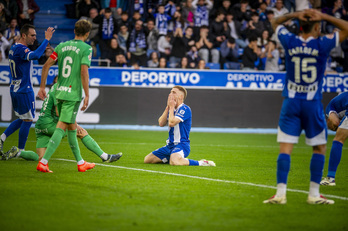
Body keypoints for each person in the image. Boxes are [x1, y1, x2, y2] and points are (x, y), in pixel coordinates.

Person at [263, 9, 348, 205]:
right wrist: (324, 16)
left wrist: (296, 14)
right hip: (312, 103)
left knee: (285, 148)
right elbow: (346, 27)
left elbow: (275, 22)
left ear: (300, 27)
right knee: (319, 148)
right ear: (317, 27)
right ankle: (314, 195)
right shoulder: (322, 44)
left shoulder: (290, 41)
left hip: (291, 103)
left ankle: (280, 194)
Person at [1, 77, 123, 163]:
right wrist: (75, 124)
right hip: (50, 124)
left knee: (40, 157)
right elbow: (60, 112)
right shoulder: (61, 90)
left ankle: (18, 152)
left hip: (40, 126)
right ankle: (105, 156)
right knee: (81, 132)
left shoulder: (54, 87)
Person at [36, 19, 94, 173]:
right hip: (72, 94)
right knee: (62, 125)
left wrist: (42, 86)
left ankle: (81, 162)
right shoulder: (86, 49)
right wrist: (87, 94)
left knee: (72, 127)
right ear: (87, 34)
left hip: (59, 91)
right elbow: (84, 72)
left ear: (74, 31)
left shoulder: (61, 46)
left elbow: (46, 65)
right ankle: (44, 162)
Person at [0, 24, 54, 158]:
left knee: (22, 118)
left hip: (16, 88)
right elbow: (35, 55)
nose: (35, 38)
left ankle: (2, 138)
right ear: (24, 35)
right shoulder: (21, 49)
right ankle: (20, 150)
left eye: (36, 35)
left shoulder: (14, 48)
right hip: (24, 89)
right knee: (28, 120)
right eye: (32, 35)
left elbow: (31, 53)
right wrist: (46, 40)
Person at [144, 86, 215, 167]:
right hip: (170, 145)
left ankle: (202, 163)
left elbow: (171, 123)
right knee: (148, 160)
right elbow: (161, 123)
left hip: (182, 144)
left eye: (174, 92)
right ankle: (173, 158)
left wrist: (171, 107)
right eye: (170, 92)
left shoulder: (185, 109)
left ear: (181, 96)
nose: (170, 94)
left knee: (174, 162)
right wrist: (168, 107)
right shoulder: (171, 109)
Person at [320, 92, 348, 186]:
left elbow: (335, 122)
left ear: (328, 120)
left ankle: (330, 178)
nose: (334, 129)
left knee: (338, 140)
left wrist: (338, 127)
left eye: (332, 129)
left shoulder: (329, 109)